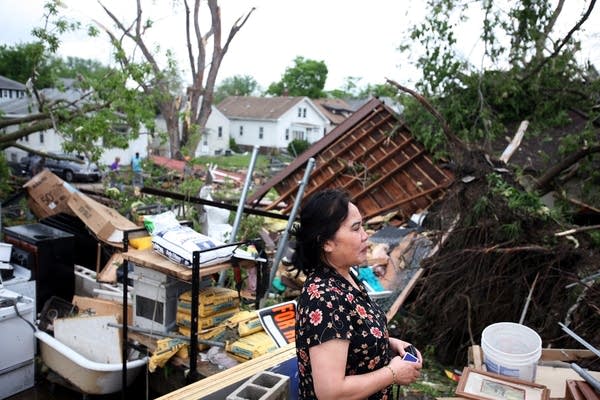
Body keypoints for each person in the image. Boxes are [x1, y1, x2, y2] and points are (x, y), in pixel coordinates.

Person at [291, 188, 422, 400]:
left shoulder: (345, 276)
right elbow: (330, 392)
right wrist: (393, 373)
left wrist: (389, 343)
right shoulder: (325, 298)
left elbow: (351, 336)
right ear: (327, 242)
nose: (365, 236)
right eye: (356, 228)